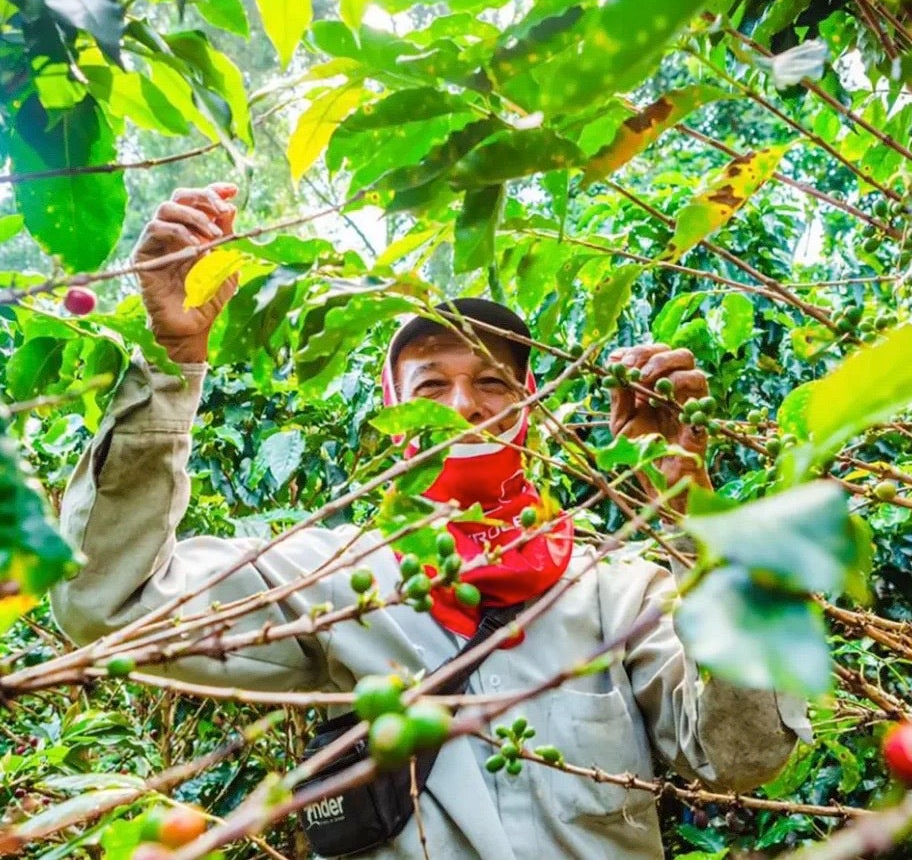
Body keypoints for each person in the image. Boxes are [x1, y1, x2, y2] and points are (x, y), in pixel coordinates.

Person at [50, 184, 810, 860]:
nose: (464, 407)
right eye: (430, 385)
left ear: (530, 406)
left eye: (490, 382)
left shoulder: (616, 590)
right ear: (392, 412)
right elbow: (108, 606)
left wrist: (698, 528)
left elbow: (741, 755)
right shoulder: (336, 573)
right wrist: (173, 360)